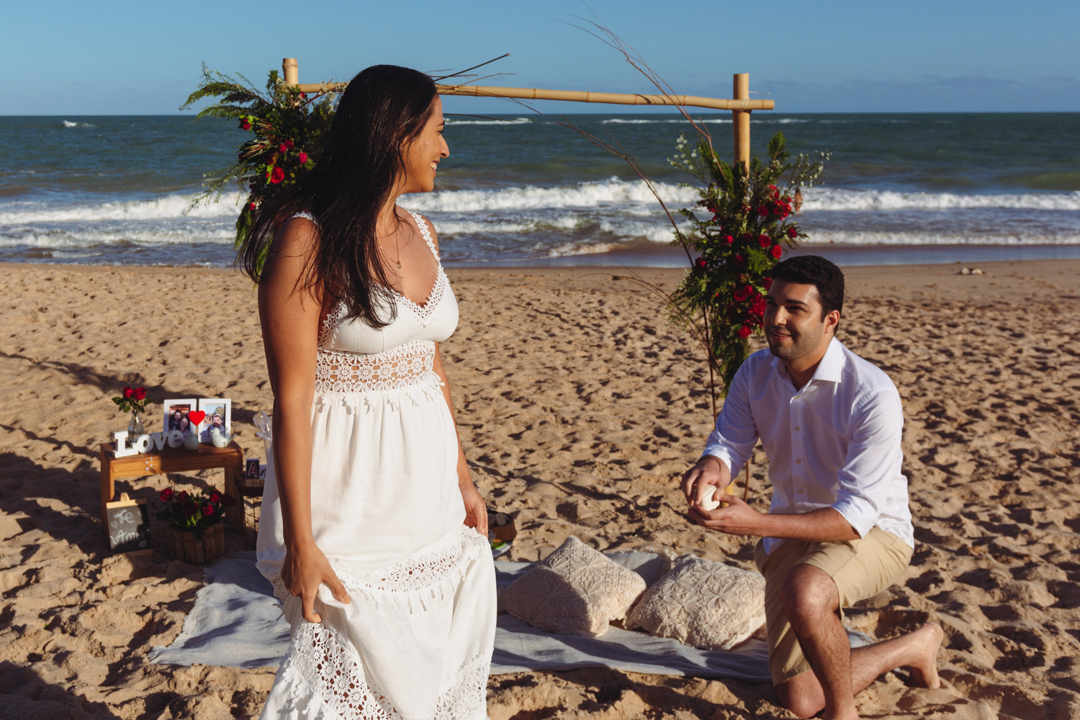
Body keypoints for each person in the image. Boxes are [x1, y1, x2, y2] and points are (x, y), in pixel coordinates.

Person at [242, 65, 496, 719]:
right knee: (343, 694)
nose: (447, 148)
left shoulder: (425, 233)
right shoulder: (307, 241)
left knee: (428, 682)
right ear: (396, 135)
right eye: (438, 132)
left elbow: (431, 369)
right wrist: (301, 541)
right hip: (348, 511)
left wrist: (463, 480)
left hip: (429, 501)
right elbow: (292, 401)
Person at [681, 256, 942, 720]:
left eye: (794, 309)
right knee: (800, 700)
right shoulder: (754, 372)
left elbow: (855, 516)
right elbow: (729, 443)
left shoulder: (870, 392)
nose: (776, 318)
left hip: (874, 533)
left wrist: (756, 523)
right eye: (771, 304)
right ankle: (915, 645)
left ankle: (844, 713)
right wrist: (711, 468)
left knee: (807, 590)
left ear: (830, 320)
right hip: (792, 533)